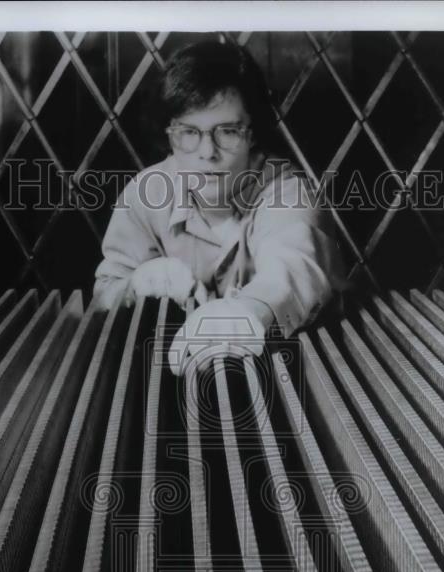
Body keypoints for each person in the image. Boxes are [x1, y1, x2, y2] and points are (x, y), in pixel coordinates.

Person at [92, 39, 346, 375]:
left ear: (252, 134)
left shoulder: (286, 191)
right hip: (165, 382)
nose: (207, 152)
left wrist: (247, 312)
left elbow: (294, 267)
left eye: (227, 131)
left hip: (289, 379)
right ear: (170, 135)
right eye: (189, 132)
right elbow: (101, 305)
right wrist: (133, 287)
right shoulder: (144, 194)